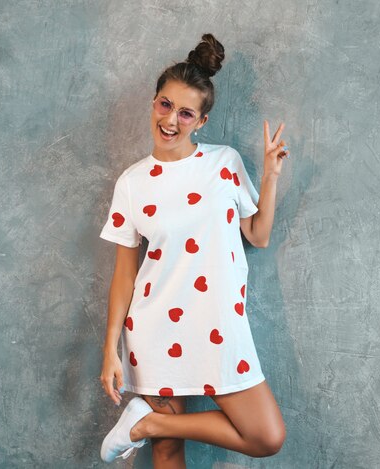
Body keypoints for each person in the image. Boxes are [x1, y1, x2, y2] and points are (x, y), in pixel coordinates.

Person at [98, 33, 289, 466]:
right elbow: (125, 273)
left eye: (186, 113)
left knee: (266, 435)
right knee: (167, 453)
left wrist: (271, 176)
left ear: (201, 121)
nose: (171, 120)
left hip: (220, 325)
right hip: (154, 328)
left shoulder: (225, 163)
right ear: (153, 102)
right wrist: (110, 349)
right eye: (165, 105)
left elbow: (257, 236)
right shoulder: (132, 183)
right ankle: (152, 428)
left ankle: (143, 424)